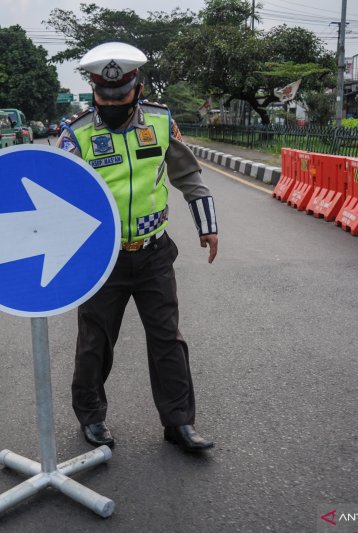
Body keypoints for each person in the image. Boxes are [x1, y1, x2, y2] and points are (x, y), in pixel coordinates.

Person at [57, 42, 219, 453]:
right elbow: (57, 196)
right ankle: (92, 417)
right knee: (95, 342)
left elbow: (188, 175)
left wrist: (208, 226)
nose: (111, 104)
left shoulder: (161, 123)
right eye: (103, 97)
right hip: (101, 257)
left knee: (167, 340)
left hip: (153, 252)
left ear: (138, 89)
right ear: (94, 91)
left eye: (120, 96)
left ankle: (179, 423)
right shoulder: (75, 134)